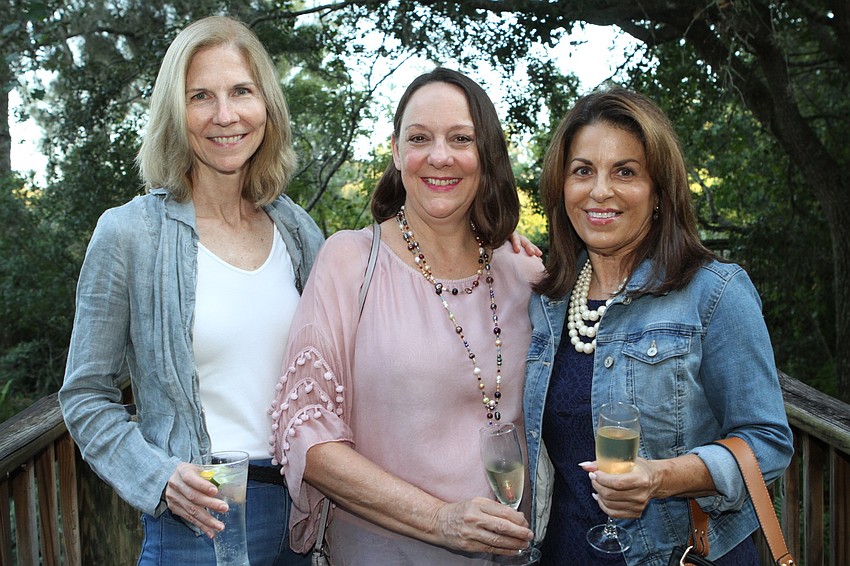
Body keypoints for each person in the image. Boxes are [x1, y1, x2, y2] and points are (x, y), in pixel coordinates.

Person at [58, 16, 323, 565]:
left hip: (302, 518)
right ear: (176, 114)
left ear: (266, 105)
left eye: (241, 92)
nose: (224, 116)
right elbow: (85, 395)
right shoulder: (130, 233)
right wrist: (157, 478)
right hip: (197, 523)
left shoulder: (298, 231)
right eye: (200, 96)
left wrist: (478, 239)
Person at [268, 67, 543, 564]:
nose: (440, 156)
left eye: (461, 138)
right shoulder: (350, 262)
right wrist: (441, 520)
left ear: (486, 155)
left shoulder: (525, 273)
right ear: (396, 152)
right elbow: (304, 433)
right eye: (420, 138)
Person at [522, 87, 794, 566]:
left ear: (659, 192)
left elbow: (767, 442)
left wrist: (660, 478)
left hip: (679, 556)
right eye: (583, 170)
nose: (600, 191)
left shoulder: (713, 292)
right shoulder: (546, 300)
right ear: (561, 187)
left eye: (625, 172)